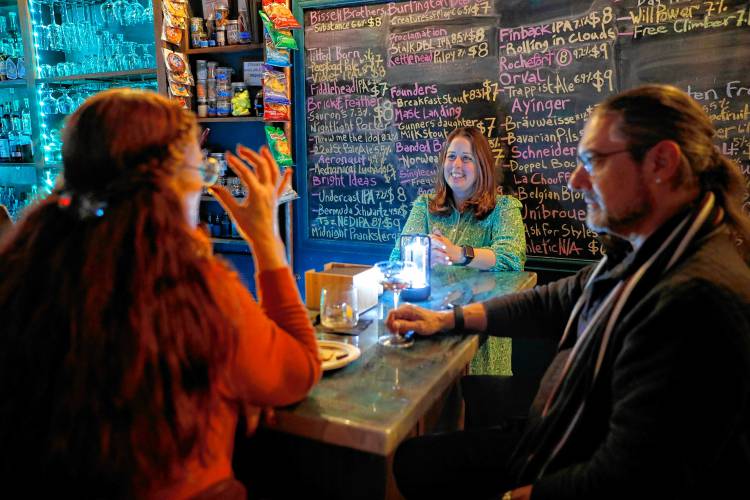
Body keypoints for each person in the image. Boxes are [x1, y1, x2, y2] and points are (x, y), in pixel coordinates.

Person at [386, 85, 750, 499]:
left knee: (420, 462)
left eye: (593, 161)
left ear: (662, 163)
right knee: (416, 459)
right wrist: (449, 319)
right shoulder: (646, 250)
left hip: (563, 459)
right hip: (552, 435)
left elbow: (634, 477)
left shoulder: (696, 298)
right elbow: (556, 297)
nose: (576, 181)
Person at [0, 89, 321, 498]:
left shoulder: (24, 267)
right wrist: (266, 242)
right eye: (200, 170)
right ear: (170, 179)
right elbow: (299, 373)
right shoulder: (194, 287)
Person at [390, 126, 526, 376]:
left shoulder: (504, 209)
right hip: (428, 330)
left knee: (481, 409)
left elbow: (511, 258)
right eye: (451, 157)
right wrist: (420, 258)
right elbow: (396, 259)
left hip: (482, 334)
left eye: (467, 158)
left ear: (482, 165)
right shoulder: (424, 206)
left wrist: (459, 254)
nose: (457, 165)